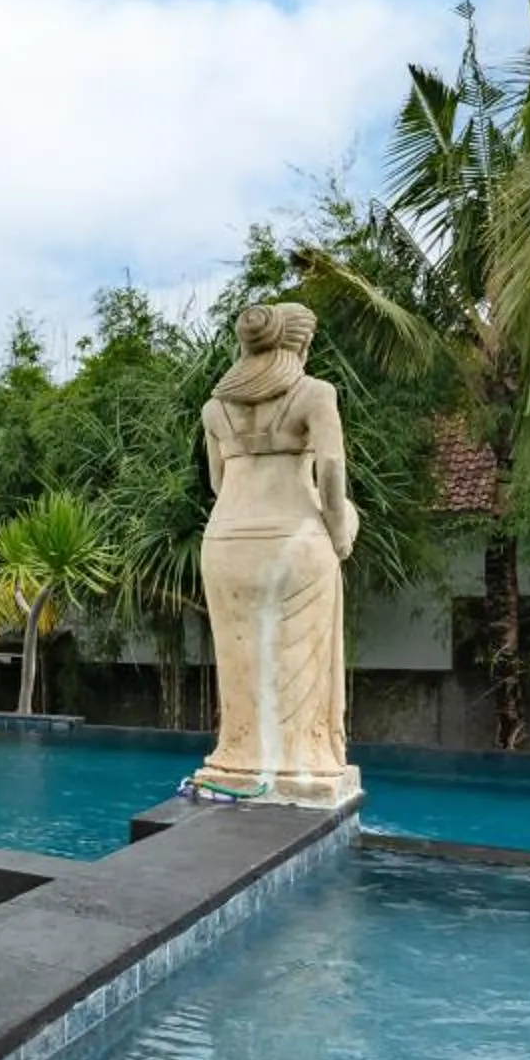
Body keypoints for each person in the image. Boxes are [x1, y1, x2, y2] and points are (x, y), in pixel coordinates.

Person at [197, 302, 360, 805]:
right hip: (294, 537)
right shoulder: (315, 393)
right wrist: (340, 528)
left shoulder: (214, 407)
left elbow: (217, 479)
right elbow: (330, 469)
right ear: (298, 347)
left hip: (226, 539)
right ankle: (301, 766)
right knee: (299, 661)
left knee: (240, 657)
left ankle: (239, 758)